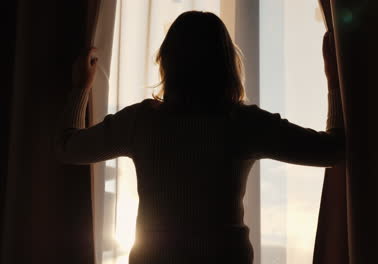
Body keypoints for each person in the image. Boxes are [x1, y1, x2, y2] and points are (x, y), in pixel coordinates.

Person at [54, 11, 344, 264]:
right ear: (229, 65)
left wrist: (81, 88)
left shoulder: (140, 122)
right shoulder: (245, 124)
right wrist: (335, 83)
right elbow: (332, 152)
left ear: (167, 62)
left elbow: (68, 149)